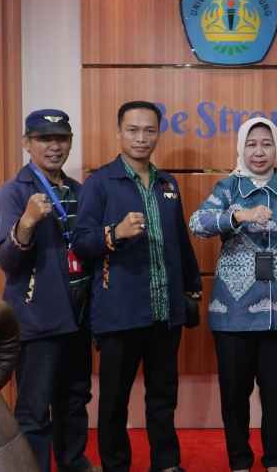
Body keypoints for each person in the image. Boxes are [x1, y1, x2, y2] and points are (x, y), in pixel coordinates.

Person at [73, 101, 201, 472]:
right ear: (119, 133)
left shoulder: (167, 183)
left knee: (163, 397)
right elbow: (81, 242)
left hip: (165, 311)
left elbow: (180, 240)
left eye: (149, 130)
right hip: (120, 311)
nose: (141, 138)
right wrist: (114, 233)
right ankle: (116, 466)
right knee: (114, 401)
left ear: (158, 133)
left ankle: (166, 463)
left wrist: (192, 287)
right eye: (133, 130)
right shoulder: (100, 182)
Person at [189, 117, 277, 472]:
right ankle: (240, 463)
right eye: (251, 144)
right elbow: (197, 223)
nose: (259, 151)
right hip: (231, 313)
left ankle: (275, 460)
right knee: (234, 395)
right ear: (240, 148)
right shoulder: (227, 187)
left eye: (266, 143)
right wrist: (238, 216)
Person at [0, 109, 100, 472]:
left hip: (78, 316)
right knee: (34, 410)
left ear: (70, 142)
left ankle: (73, 463)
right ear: (27, 143)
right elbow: (7, 261)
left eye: (61, 138)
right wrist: (27, 222)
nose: (54, 146)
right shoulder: (14, 191)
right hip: (37, 318)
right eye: (44, 139)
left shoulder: (80, 191)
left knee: (74, 400)